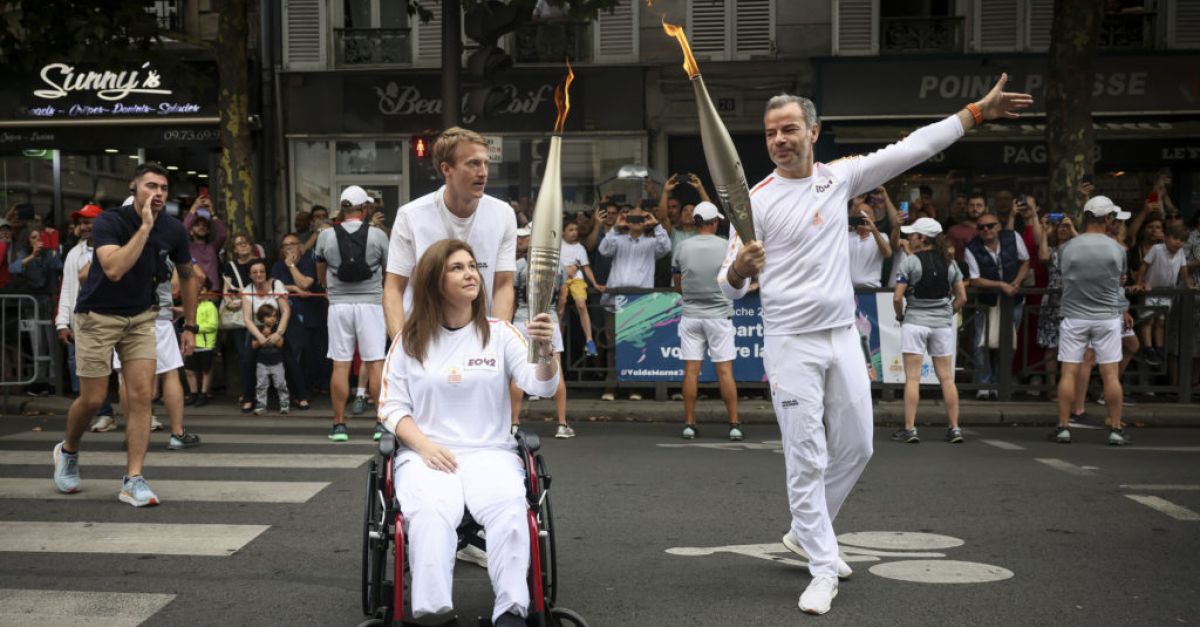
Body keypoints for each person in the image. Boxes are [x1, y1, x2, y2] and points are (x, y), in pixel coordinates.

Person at [719, 77, 1031, 615]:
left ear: (813, 132)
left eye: (790, 129)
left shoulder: (840, 179)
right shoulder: (756, 202)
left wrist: (976, 113)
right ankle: (821, 566)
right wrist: (740, 271)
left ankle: (804, 532)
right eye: (771, 133)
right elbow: (728, 285)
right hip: (790, 342)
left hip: (841, 336)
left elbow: (913, 147)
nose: (779, 139)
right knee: (806, 457)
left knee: (859, 446)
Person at [377, 239, 559, 627]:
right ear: (433, 280)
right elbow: (392, 407)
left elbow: (539, 384)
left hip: (491, 453)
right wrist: (425, 446)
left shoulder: (501, 333)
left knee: (512, 510)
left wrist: (544, 348)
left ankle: (512, 612)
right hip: (426, 456)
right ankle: (434, 614)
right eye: (457, 267)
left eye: (473, 266)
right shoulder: (409, 340)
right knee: (428, 514)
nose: (470, 274)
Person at [53, 162, 197, 506]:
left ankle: (133, 478)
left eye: (163, 188)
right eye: (151, 186)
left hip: (140, 318)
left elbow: (189, 275)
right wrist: (145, 228)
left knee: (141, 396)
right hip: (97, 316)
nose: (158, 193)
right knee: (92, 399)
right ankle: (68, 450)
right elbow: (114, 268)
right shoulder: (109, 221)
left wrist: (190, 325)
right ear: (134, 188)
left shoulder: (174, 229)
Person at [384, 127, 517, 340]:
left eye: (485, 163)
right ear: (447, 169)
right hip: (424, 336)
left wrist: (498, 343)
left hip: (480, 338)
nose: (483, 172)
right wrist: (401, 346)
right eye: (473, 163)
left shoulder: (503, 214)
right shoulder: (411, 215)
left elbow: (503, 285)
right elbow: (393, 288)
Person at [1051, 196, 1135, 446]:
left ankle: (1064, 426)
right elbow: (1119, 279)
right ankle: (1116, 429)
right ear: (1108, 218)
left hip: (1074, 316)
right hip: (1107, 317)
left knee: (1068, 372)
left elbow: (1064, 278)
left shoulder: (1068, 248)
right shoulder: (1117, 249)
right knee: (1110, 375)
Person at [316, 185, 390, 441]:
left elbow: (320, 271)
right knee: (375, 363)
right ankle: (380, 423)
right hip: (371, 304)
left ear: (343, 208)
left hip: (339, 305)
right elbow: (388, 271)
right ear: (365, 208)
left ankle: (339, 425)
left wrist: (329, 288)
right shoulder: (378, 236)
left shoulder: (325, 236)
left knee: (340, 364)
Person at [106, 258, 201, 451]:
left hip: (124, 316)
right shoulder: (163, 243)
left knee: (125, 376)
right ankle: (177, 434)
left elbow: (85, 274)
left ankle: (133, 435)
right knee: (170, 373)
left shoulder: (118, 241)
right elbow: (191, 278)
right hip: (159, 315)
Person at [890, 218, 967, 444]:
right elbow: (962, 297)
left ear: (923, 238)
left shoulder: (910, 262)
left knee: (912, 378)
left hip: (915, 321)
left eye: (913, 235)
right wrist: (946, 313)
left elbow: (897, 297)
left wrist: (900, 315)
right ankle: (954, 428)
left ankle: (910, 428)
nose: (910, 238)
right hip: (942, 325)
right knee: (946, 378)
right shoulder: (950, 263)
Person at [672, 201, 740, 441]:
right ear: (714, 222)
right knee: (725, 371)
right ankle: (734, 424)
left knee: (691, 372)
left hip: (691, 315)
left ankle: (689, 424)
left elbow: (677, 282)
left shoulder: (682, 246)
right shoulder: (726, 246)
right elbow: (736, 280)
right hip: (719, 316)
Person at [599, 204, 671, 400]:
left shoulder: (651, 242)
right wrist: (616, 226)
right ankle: (610, 387)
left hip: (638, 301)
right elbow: (603, 250)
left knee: (635, 345)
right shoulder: (618, 240)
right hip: (615, 300)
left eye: (640, 218)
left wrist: (655, 224)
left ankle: (634, 387)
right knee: (612, 346)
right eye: (632, 218)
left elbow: (666, 247)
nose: (636, 222)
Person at [55, 204, 117, 429]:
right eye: (81, 222)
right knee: (88, 369)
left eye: (89, 221)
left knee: (120, 368)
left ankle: (139, 415)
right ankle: (103, 413)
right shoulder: (74, 253)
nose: (84, 226)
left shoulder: (115, 248)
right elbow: (68, 289)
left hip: (114, 317)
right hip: (85, 320)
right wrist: (62, 322)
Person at [510, 227, 574, 438]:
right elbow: (563, 298)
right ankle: (562, 424)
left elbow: (512, 297)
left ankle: (514, 423)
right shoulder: (558, 265)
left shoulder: (520, 265)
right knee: (556, 371)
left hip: (522, 321)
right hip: (550, 321)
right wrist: (556, 317)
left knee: (518, 373)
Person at [965, 213, 1031, 399]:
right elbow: (975, 279)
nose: (986, 230)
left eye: (990, 226)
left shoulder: (1012, 237)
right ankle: (983, 385)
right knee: (981, 343)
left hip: (1013, 300)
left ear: (998, 226)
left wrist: (1017, 282)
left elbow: (1025, 261)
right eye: (981, 227)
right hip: (987, 301)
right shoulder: (972, 248)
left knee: (1008, 343)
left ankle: (999, 383)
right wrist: (1001, 285)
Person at [241, 259, 311, 411]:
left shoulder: (276, 284)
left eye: (261, 271)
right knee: (248, 360)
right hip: (258, 328)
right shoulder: (247, 291)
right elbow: (247, 318)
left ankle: (301, 396)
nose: (259, 274)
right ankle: (248, 398)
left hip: (280, 324)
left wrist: (279, 333)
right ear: (249, 275)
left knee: (290, 360)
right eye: (255, 272)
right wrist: (259, 337)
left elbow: (286, 311)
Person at [271, 232, 326, 399]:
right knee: (294, 354)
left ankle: (310, 387)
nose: (289, 247)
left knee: (312, 355)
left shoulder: (309, 262)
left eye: (292, 244)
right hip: (289, 317)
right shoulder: (278, 265)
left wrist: (292, 266)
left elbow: (306, 283)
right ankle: (297, 391)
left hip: (312, 315)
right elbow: (273, 285)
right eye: (285, 245)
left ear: (301, 247)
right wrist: (293, 289)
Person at [1133, 222, 1194, 365]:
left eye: (1182, 240)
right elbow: (1144, 266)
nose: (1178, 243)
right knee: (1148, 319)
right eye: (1175, 238)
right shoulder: (1156, 249)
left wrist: (1189, 285)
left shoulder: (1180, 253)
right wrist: (1140, 283)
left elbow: (1183, 271)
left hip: (1167, 293)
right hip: (1151, 290)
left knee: (1160, 322)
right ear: (1166, 238)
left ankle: (1159, 348)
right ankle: (1148, 348)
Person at [221, 234, 258, 412]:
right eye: (238, 245)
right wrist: (228, 301)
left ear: (251, 245)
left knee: (257, 354)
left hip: (258, 313)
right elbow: (226, 289)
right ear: (234, 249)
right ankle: (248, 392)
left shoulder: (260, 264)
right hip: (237, 314)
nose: (242, 246)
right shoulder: (230, 266)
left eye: (245, 243)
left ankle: (257, 392)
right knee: (243, 356)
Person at [559, 221, 603, 357]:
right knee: (560, 308)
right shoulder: (557, 245)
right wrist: (565, 270)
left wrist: (595, 283)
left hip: (577, 279)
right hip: (560, 278)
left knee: (581, 305)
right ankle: (556, 342)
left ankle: (589, 341)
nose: (574, 232)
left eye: (576, 229)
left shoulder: (580, 248)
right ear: (562, 232)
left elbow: (586, 267)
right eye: (570, 229)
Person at [181, 193, 226, 291]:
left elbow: (222, 234)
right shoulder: (187, 246)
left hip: (213, 291)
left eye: (204, 225)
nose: (201, 227)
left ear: (208, 230)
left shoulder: (213, 247)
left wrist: (212, 212)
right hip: (194, 290)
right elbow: (182, 231)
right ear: (191, 231)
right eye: (197, 225)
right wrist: (193, 208)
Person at [251, 303, 289, 414]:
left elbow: (281, 344)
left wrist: (272, 336)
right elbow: (253, 345)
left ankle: (284, 403)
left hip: (277, 362)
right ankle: (261, 404)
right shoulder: (257, 329)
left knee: (281, 383)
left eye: (274, 316)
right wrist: (262, 336)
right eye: (269, 316)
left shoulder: (278, 329)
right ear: (262, 318)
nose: (272, 319)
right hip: (262, 363)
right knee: (261, 385)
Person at [847, 194, 892, 289]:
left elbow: (888, 253)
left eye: (866, 213)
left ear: (873, 218)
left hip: (871, 289)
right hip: (849, 290)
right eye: (859, 213)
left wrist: (874, 230)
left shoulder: (881, 236)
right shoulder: (847, 237)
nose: (862, 216)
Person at [186, 283, 219, 407]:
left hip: (205, 344)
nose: (198, 292)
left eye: (201, 289)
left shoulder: (210, 306)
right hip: (192, 343)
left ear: (207, 291)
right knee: (189, 370)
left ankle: (204, 394)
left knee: (206, 370)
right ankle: (193, 393)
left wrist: (196, 328)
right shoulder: (192, 305)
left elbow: (213, 325)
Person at [9, 227, 63, 293]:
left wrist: (54, 247)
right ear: (29, 241)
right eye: (34, 237)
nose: (38, 239)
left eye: (40, 236)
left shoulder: (49, 252)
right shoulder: (24, 253)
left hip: (47, 295)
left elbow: (58, 267)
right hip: (30, 295)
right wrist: (32, 256)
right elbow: (13, 268)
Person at [947, 193, 986, 271]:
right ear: (967, 208)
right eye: (971, 205)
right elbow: (949, 257)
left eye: (979, 205)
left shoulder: (993, 229)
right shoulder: (954, 230)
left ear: (986, 208)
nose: (975, 209)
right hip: (964, 274)